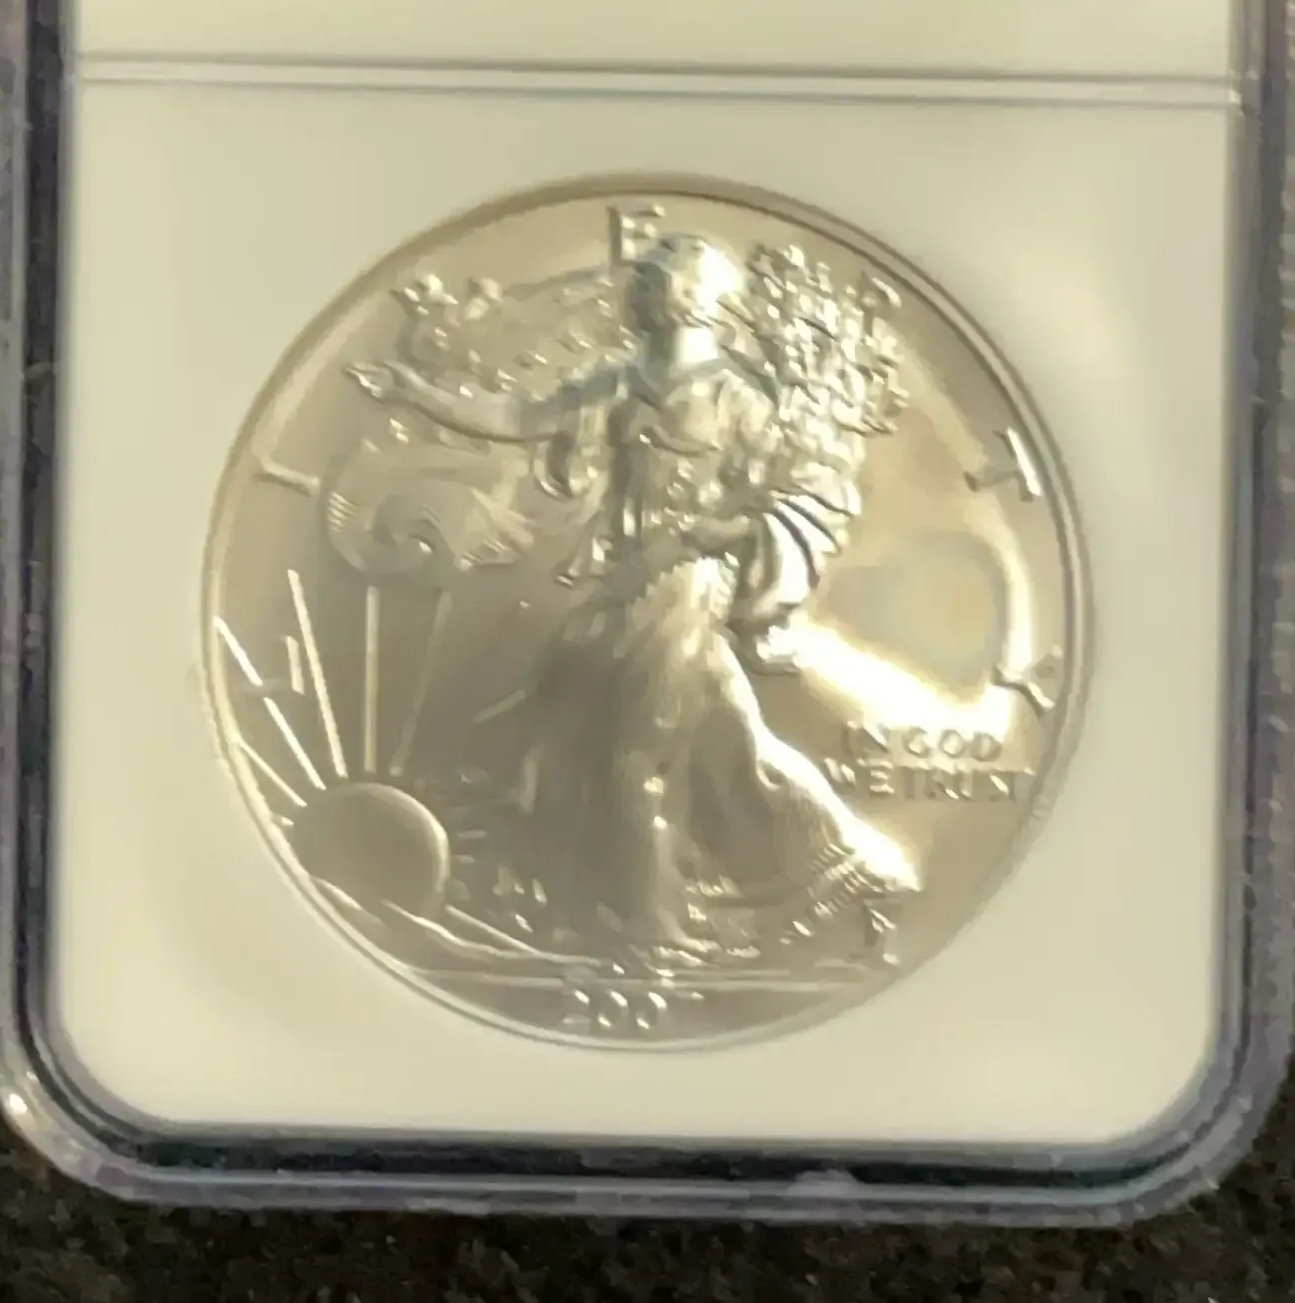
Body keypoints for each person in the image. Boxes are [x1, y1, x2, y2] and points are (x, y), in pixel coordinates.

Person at [377, 230, 915, 960]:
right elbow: (523, 418)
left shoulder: (737, 399)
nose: (635, 293)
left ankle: (649, 931)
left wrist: (706, 533)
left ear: (686, 297)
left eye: (651, 281)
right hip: (624, 586)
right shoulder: (620, 381)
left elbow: (789, 494)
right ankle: (841, 870)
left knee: (636, 759)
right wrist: (420, 396)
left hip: (685, 586)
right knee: (717, 743)